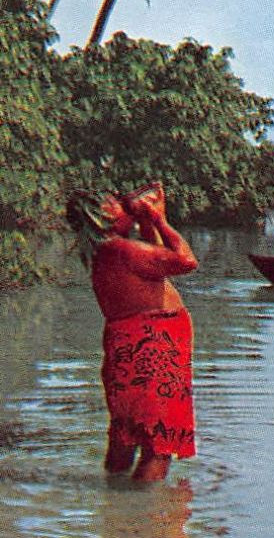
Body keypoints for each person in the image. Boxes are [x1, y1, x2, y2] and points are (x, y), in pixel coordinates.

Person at [66, 183, 198, 482]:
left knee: (126, 435)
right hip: (153, 346)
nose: (124, 207)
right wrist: (162, 221)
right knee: (159, 445)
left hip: (131, 346)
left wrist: (148, 222)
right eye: (116, 203)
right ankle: (139, 520)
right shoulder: (123, 250)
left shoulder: (108, 252)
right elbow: (185, 261)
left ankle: (115, 508)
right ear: (103, 215)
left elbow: (157, 265)